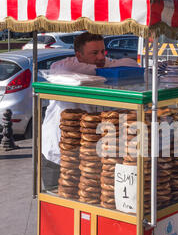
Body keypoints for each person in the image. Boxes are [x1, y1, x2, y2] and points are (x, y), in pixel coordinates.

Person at [41, 32, 139, 189]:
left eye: (102, 51)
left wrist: (104, 70)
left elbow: (132, 64)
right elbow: (59, 68)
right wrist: (102, 72)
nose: (100, 57)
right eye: (94, 53)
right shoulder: (66, 67)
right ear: (78, 55)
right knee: (59, 199)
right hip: (59, 153)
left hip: (92, 154)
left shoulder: (106, 63)